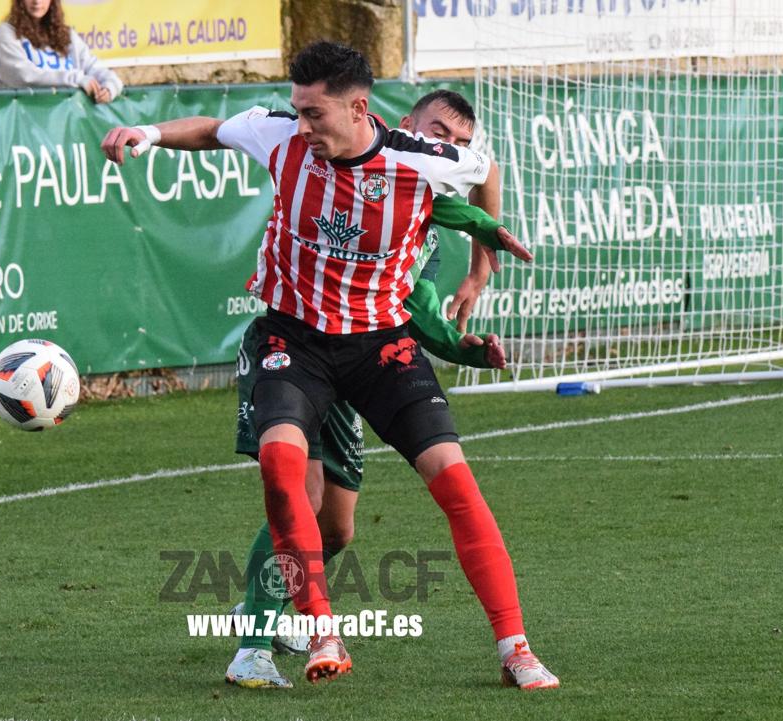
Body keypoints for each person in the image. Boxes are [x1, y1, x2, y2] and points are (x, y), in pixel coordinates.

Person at [101, 41, 558, 691]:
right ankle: (312, 631)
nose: (303, 125)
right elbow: (208, 129)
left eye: (315, 113)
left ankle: (515, 647)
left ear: (359, 108)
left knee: (450, 483)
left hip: (378, 344)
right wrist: (145, 133)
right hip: (292, 339)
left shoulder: (418, 159)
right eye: (298, 110)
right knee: (284, 469)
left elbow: (484, 169)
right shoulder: (281, 137)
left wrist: (483, 257)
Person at [224, 92, 519, 690]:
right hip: (303, 346)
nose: (451, 149)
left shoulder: (428, 211)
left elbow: (426, 312)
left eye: (459, 143)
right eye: (441, 134)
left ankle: (266, 609)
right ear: (408, 126)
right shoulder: (373, 167)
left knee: (338, 529)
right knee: (296, 487)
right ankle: (254, 636)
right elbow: (232, 129)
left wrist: (477, 282)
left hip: (368, 358)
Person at [0, 0, 121, 104]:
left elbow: (95, 67)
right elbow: (24, 76)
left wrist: (109, 88)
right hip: (24, 126)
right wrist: (76, 79)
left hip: (64, 124)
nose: (37, 1)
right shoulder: (7, 32)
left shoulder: (66, 35)